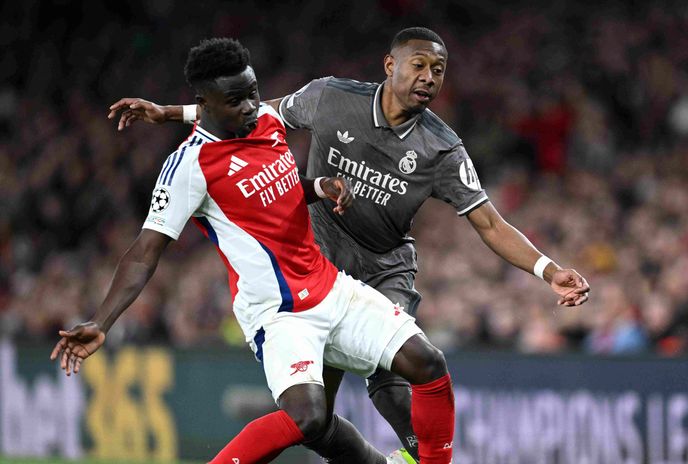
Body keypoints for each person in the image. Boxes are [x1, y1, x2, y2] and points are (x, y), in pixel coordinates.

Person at [109, 27, 591, 463]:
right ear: (390, 65)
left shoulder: (442, 148)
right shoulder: (329, 97)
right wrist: (169, 112)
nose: (428, 77)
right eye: (418, 65)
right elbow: (255, 111)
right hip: (315, 264)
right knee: (314, 422)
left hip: (383, 269)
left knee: (395, 386)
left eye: (438, 70)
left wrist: (549, 271)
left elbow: (489, 223)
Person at [51, 37, 458, 464]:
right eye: (236, 100)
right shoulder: (190, 166)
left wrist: (320, 186)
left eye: (253, 93)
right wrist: (102, 321)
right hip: (276, 312)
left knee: (427, 362)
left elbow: (277, 191)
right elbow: (144, 252)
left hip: (329, 286)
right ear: (205, 103)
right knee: (308, 420)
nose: (250, 107)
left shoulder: (266, 121)